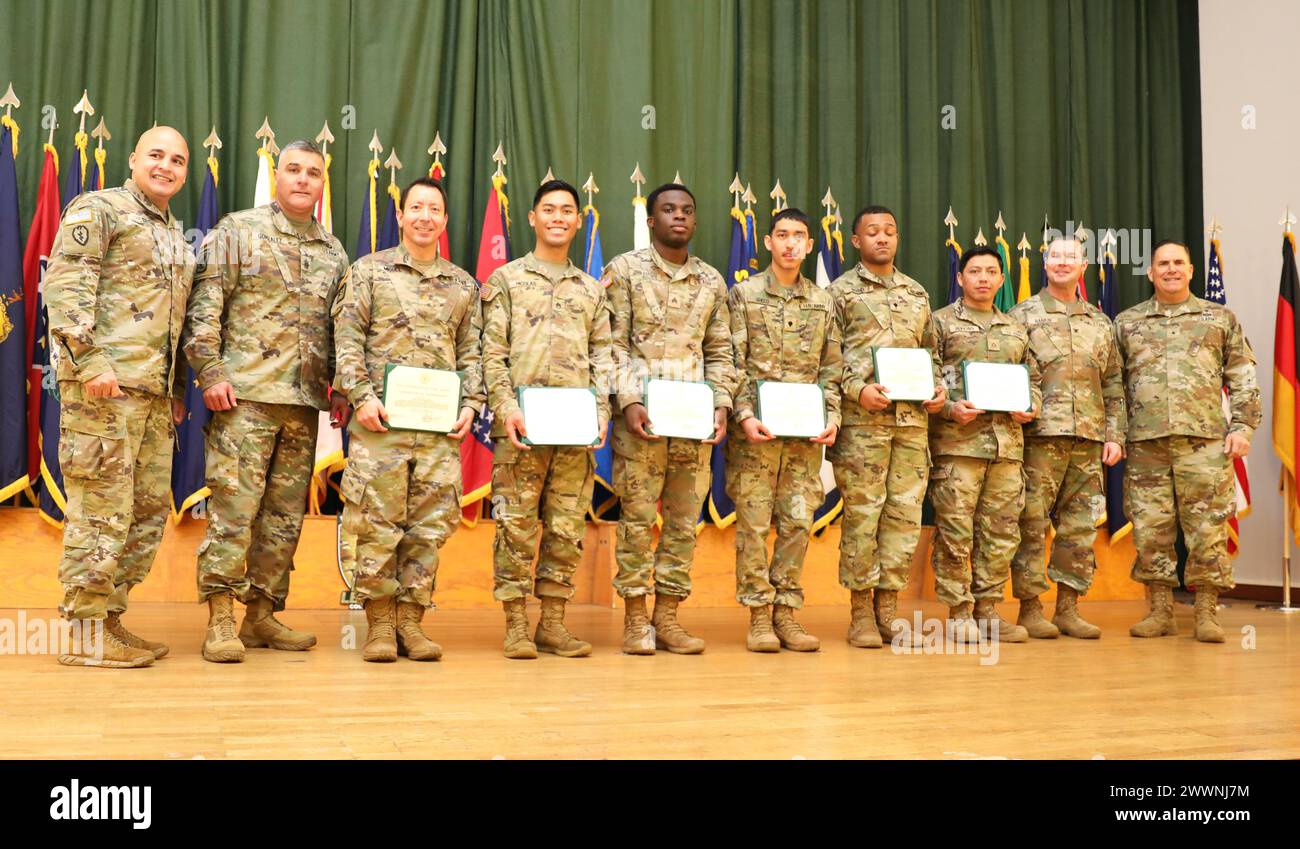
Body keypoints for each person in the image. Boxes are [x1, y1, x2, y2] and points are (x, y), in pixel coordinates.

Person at [182, 139, 350, 663]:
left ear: (323, 184)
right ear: (278, 177)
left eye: (313, 173)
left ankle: (261, 615)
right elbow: (206, 304)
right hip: (245, 398)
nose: (303, 179)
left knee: (282, 520)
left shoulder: (334, 251)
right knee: (234, 513)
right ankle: (221, 620)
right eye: (293, 170)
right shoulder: (239, 230)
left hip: (302, 405)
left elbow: (337, 330)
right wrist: (209, 370)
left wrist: (340, 388)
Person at [46, 126, 194, 668]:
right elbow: (65, 287)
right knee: (101, 511)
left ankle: (109, 618)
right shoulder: (99, 208)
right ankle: (84, 633)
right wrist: (89, 361)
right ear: (133, 158)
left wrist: (174, 389)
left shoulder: (174, 234)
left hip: (151, 396)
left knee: (146, 512)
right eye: (156, 155)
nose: (166, 166)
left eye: (177, 160)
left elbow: (172, 321)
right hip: (102, 390)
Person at [332, 177, 484, 661]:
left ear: (443, 220)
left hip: (437, 431)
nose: (424, 216)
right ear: (400, 216)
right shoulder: (368, 272)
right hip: (380, 425)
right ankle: (378, 625)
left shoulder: (463, 284)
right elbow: (348, 338)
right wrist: (360, 397)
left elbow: (472, 352)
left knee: (430, 525)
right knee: (376, 523)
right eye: (414, 207)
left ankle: (412, 624)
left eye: (433, 209)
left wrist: (470, 405)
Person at [481, 179, 613, 658]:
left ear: (579, 222)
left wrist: (601, 413)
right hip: (521, 429)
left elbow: (605, 358)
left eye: (567, 211)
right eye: (549, 209)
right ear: (532, 218)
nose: (558, 217)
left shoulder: (592, 290)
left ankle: (552, 623)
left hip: (575, 431)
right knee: (515, 527)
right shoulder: (506, 281)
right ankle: (516, 624)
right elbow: (490, 353)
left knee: (565, 528)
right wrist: (507, 408)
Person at [603, 182, 735, 654]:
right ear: (652, 220)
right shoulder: (624, 271)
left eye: (686, 211)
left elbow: (720, 350)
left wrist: (722, 403)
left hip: (693, 424)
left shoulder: (712, 281)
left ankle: (669, 619)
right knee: (638, 520)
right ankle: (636, 620)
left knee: (683, 523)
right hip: (642, 423)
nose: (678, 217)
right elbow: (611, 344)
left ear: (695, 222)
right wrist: (629, 401)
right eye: (668, 210)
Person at [1114, 239, 1260, 642]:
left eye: (1179, 262)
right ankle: (1160, 610)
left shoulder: (1219, 318)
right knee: (1151, 529)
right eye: (1163, 263)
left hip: (1205, 444)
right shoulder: (1127, 322)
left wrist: (1243, 428)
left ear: (1192, 270)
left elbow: (1242, 376)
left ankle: (1206, 612)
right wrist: (1116, 434)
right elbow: (1114, 385)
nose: (1171, 269)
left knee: (1207, 528)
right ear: (1151, 271)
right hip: (1146, 444)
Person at [828, 205, 945, 648]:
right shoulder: (839, 292)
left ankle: (889, 610)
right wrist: (858, 390)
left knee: (903, 518)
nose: (883, 238)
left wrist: (937, 389)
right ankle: (860, 613)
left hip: (912, 426)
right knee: (863, 517)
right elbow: (828, 357)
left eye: (890, 231)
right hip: (863, 425)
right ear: (856, 241)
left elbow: (930, 354)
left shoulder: (916, 293)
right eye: (872, 232)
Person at [727, 208, 841, 653]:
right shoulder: (744, 295)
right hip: (758, 433)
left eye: (799, 236)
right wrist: (743, 415)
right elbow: (732, 361)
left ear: (810, 245)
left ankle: (787, 613)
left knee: (797, 522)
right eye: (782, 235)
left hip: (805, 437)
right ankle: (758, 616)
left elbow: (832, 368)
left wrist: (832, 415)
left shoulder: (823, 301)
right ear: (768, 243)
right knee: (754, 526)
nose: (790, 243)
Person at [1007, 235, 1126, 639]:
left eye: (1070, 257)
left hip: (1089, 438)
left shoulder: (1100, 323)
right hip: (1038, 436)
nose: (1062, 263)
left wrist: (1115, 434)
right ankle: (1029, 609)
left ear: (1083, 266)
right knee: (1031, 523)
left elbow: (1112, 383)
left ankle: (1068, 608)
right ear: (1045, 263)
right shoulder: (1020, 316)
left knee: (1079, 528)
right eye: (1055, 256)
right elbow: (1008, 374)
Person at [928, 247, 1041, 643]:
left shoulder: (1015, 329)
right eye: (974, 271)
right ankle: (959, 612)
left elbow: (1035, 381)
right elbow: (926, 380)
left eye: (991, 271)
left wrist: (1031, 406)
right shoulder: (939, 323)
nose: (983, 278)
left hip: (1006, 448)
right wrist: (949, 409)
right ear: (960, 278)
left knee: (1001, 531)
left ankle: (988, 609)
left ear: (1001, 279)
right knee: (955, 532)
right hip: (958, 446)